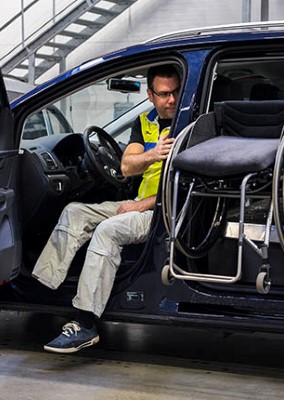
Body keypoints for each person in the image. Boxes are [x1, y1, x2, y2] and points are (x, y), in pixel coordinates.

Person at [32, 64, 180, 353]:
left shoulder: (187, 123)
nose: (171, 100)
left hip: (163, 211)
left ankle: (85, 323)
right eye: (164, 94)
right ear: (150, 95)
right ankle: (44, 290)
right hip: (141, 204)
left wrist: (141, 205)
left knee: (107, 230)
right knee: (75, 211)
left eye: (175, 92)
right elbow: (127, 166)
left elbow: (181, 188)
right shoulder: (145, 121)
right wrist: (153, 154)